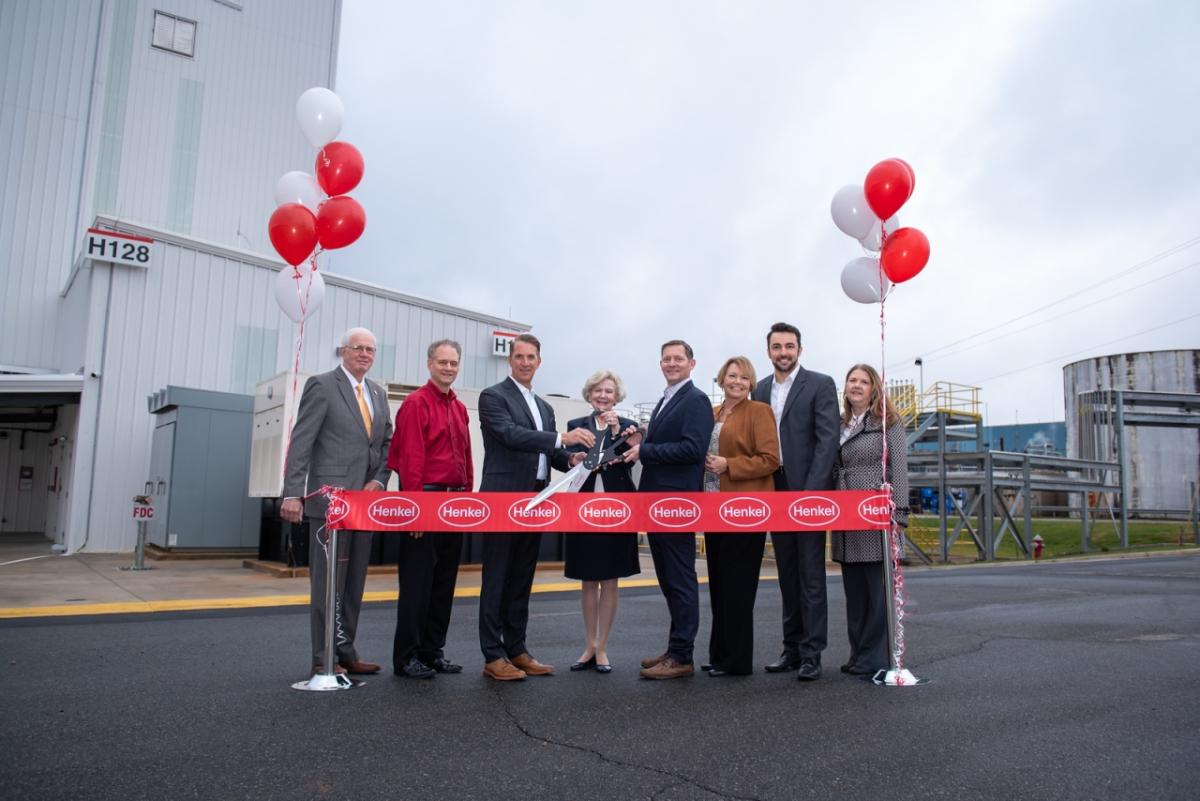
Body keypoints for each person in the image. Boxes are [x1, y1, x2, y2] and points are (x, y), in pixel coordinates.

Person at [477, 333, 595, 680]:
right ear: (510, 360)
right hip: (502, 500)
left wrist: (571, 457)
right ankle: (493, 655)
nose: (525, 362)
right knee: (496, 578)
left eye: (531, 357)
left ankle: (517, 648)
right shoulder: (493, 397)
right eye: (520, 357)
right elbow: (510, 434)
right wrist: (563, 439)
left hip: (536, 501)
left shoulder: (544, 407)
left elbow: (552, 453)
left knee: (521, 579)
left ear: (539, 362)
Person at [281, 327, 393, 677]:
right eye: (357, 348)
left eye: (370, 350)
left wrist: (380, 479)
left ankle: (346, 651)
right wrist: (291, 492)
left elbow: (386, 444)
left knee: (354, 581)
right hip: (329, 504)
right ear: (342, 351)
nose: (364, 354)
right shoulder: (322, 385)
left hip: (365, 503)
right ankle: (322, 656)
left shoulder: (377, 393)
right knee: (328, 584)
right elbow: (302, 441)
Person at [751, 322, 839, 681]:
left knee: (811, 574)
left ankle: (812, 653)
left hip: (808, 490)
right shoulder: (759, 390)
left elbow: (827, 439)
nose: (783, 352)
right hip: (774, 488)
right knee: (786, 573)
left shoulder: (820, 384)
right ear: (768, 351)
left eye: (789, 346)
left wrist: (811, 493)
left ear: (800, 350)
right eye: (776, 347)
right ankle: (791, 648)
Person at [624, 340, 715, 680]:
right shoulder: (667, 398)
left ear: (693, 363)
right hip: (657, 503)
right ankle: (675, 647)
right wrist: (640, 441)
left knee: (680, 578)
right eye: (667, 359)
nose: (672, 363)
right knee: (667, 577)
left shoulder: (696, 400)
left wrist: (646, 451)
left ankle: (682, 656)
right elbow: (662, 443)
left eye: (679, 358)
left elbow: (693, 449)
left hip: (677, 504)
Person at [386, 339, 473, 679]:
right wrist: (415, 509)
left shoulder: (460, 408)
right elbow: (410, 460)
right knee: (417, 584)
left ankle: (432, 651)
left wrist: (466, 499)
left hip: (453, 506)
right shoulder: (415, 404)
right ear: (429, 364)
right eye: (442, 362)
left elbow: (465, 456)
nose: (448, 368)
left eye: (453, 363)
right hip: (425, 501)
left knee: (443, 584)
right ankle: (406, 657)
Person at [702, 357, 779, 677]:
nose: (737, 381)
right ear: (721, 379)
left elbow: (771, 459)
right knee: (719, 585)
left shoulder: (760, 412)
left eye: (744, 377)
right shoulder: (712, 413)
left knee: (737, 586)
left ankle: (736, 660)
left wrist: (728, 465)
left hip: (745, 511)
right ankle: (719, 654)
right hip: (712, 509)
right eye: (732, 376)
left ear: (751, 383)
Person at [833, 363, 909, 676]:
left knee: (877, 594)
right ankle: (858, 652)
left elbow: (900, 469)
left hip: (876, 514)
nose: (857, 386)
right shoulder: (839, 424)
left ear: (874, 388)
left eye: (864, 381)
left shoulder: (888, 423)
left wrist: (899, 513)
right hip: (845, 514)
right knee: (855, 594)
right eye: (852, 380)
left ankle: (874, 657)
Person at [564, 370, 640, 675]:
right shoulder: (574, 427)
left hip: (616, 509)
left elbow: (631, 460)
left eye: (609, 391)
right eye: (598, 391)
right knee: (587, 578)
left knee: (610, 579)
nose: (603, 396)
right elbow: (565, 459)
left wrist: (619, 430)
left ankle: (603, 647)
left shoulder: (628, 427)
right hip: (582, 509)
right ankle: (589, 646)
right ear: (590, 394)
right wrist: (572, 458)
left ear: (616, 396)